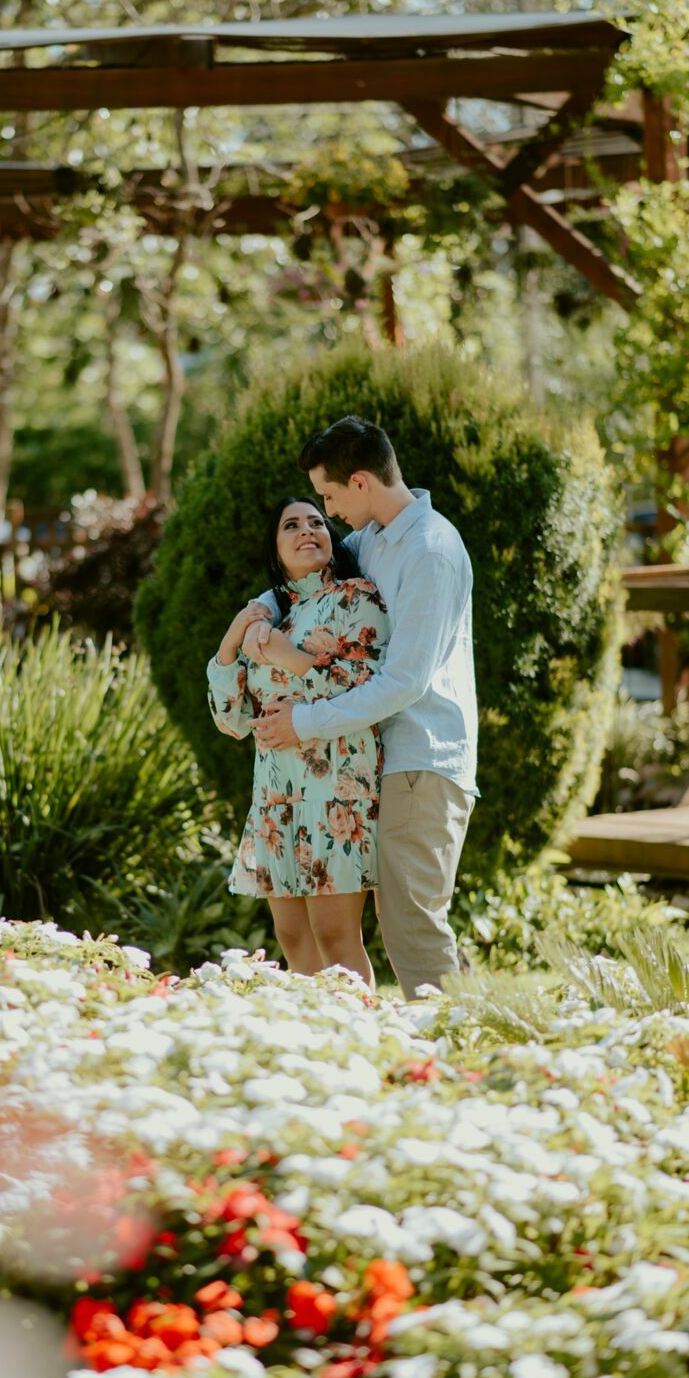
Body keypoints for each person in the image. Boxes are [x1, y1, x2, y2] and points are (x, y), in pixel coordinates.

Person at [247, 418, 477, 1000]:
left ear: (359, 482)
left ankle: (460, 1044)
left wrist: (302, 722)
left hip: (423, 758)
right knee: (396, 921)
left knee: (412, 922)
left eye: (327, 497)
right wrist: (258, 612)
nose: (326, 513)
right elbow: (301, 576)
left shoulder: (430, 551)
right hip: (380, 760)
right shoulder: (372, 538)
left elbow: (404, 682)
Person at [206, 495, 390, 988]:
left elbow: (368, 685)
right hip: (276, 794)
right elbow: (230, 718)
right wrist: (232, 638)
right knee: (291, 935)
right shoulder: (271, 618)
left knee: (334, 934)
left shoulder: (357, 598)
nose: (308, 530)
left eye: (316, 522)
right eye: (291, 525)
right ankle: (315, 1029)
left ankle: (362, 1028)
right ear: (275, 547)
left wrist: (288, 658)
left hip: (336, 785)